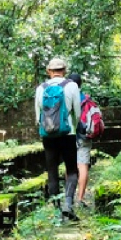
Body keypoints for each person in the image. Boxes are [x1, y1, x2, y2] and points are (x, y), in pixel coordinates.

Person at [35, 57, 82, 221]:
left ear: (49, 71)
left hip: (48, 136)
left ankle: (56, 212)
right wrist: (74, 127)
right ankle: (68, 204)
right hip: (68, 134)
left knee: (52, 171)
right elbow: (78, 112)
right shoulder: (72, 86)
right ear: (64, 70)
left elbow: (38, 116)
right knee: (72, 170)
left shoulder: (41, 88)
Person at [70, 72, 93, 207]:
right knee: (83, 166)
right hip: (84, 135)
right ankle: (80, 198)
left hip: (69, 135)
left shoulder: (67, 96)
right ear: (80, 84)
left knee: (70, 167)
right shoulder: (86, 98)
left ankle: (70, 197)